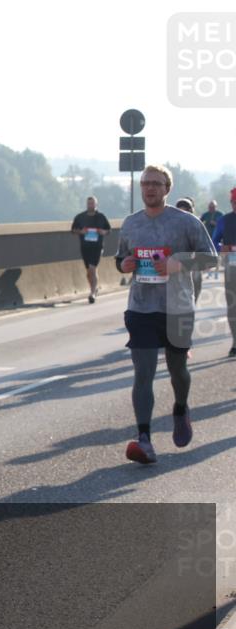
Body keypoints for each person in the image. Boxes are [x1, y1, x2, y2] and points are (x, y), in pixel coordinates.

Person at [115, 166, 216, 464]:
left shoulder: (186, 222)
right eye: (145, 183)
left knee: (177, 371)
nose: (149, 188)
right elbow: (121, 257)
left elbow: (210, 257)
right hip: (141, 307)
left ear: (166, 189)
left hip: (178, 307)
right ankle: (144, 439)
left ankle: (181, 408)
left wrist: (178, 263)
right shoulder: (131, 224)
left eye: (155, 184)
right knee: (143, 372)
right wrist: (124, 265)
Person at [70, 196, 112, 303]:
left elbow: (108, 230)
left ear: (96, 204)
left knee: (92, 269)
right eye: (89, 204)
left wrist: (103, 232)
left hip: (97, 247)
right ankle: (94, 288)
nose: (90, 205)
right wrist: (81, 232)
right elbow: (73, 230)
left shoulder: (101, 217)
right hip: (85, 248)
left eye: (92, 204)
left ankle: (92, 293)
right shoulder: (80, 217)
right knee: (89, 272)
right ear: (86, 204)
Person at [210, 188, 236, 357]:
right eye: (235, 202)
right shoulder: (224, 220)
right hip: (232, 267)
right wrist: (223, 247)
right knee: (233, 307)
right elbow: (212, 242)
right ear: (232, 203)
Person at [175, 198, 204, 302]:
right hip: (173, 270)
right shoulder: (169, 228)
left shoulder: (197, 226)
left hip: (192, 267)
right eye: (180, 212)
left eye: (186, 211)